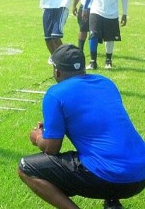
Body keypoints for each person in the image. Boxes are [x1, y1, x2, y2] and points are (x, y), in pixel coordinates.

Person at [18, 44, 145, 209]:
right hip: (140, 173)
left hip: (112, 177)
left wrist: (37, 137)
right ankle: (112, 204)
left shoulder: (55, 93)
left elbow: (51, 148)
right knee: (101, 151)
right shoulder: (105, 83)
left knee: (25, 167)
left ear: (56, 71)